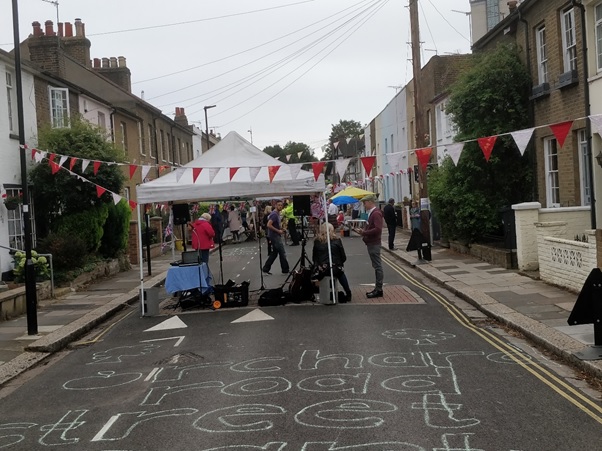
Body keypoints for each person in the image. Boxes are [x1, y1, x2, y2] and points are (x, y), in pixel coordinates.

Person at [312, 222, 352, 302]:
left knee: (314, 274)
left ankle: (315, 293)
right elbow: (343, 257)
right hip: (336, 268)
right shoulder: (337, 240)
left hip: (323, 269)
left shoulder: (317, 241)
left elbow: (314, 258)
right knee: (341, 273)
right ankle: (348, 292)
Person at [359, 194, 384, 298]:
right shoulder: (372, 213)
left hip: (374, 243)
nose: (364, 205)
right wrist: (363, 232)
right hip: (371, 243)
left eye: (365, 203)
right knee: (376, 265)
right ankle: (378, 288)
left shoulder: (376, 213)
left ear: (370, 202)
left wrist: (365, 233)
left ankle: (379, 289)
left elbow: (378, 229)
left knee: (377, 266)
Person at [262, 200, 290, 275]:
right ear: (275, 206)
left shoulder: (277, 214)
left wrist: (281, 229)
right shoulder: (274, 214)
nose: (280, 206)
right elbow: (269, 225)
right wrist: (278, 231)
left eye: (281, 205)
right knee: (282, 252)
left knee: (274, 253)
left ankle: (266, 268)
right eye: (279, 205)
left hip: (274, 235)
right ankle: (285, 269)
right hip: (274, 236)